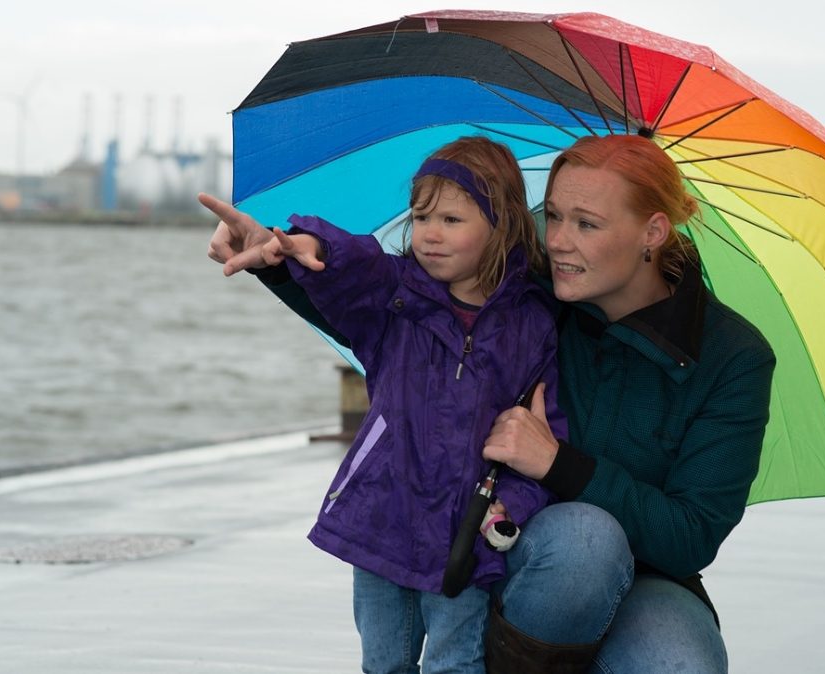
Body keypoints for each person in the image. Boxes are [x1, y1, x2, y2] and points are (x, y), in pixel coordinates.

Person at [205, 134, 775, 673]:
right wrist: (278, 262)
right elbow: (395, 315)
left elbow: (691, 535)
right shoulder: (527, 290)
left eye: (586, 224)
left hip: (645, 577)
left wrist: (557, 463)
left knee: (673, 657)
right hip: (498, 545)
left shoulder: (731, 356)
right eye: (552, 215)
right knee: (582, 542)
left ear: (652, 232)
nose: (557, 241)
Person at [200, 136, 568, 674]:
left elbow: (544, 431)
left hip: (465, 534)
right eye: (420, 217)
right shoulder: (395, 298)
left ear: (502, 224)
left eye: (451, 219)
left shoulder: (532, 325)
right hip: (382, 514)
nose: (430, 234)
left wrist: (514, 502)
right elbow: (354, 266)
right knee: (383, 662)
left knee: (455, 662)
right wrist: (310, 247)